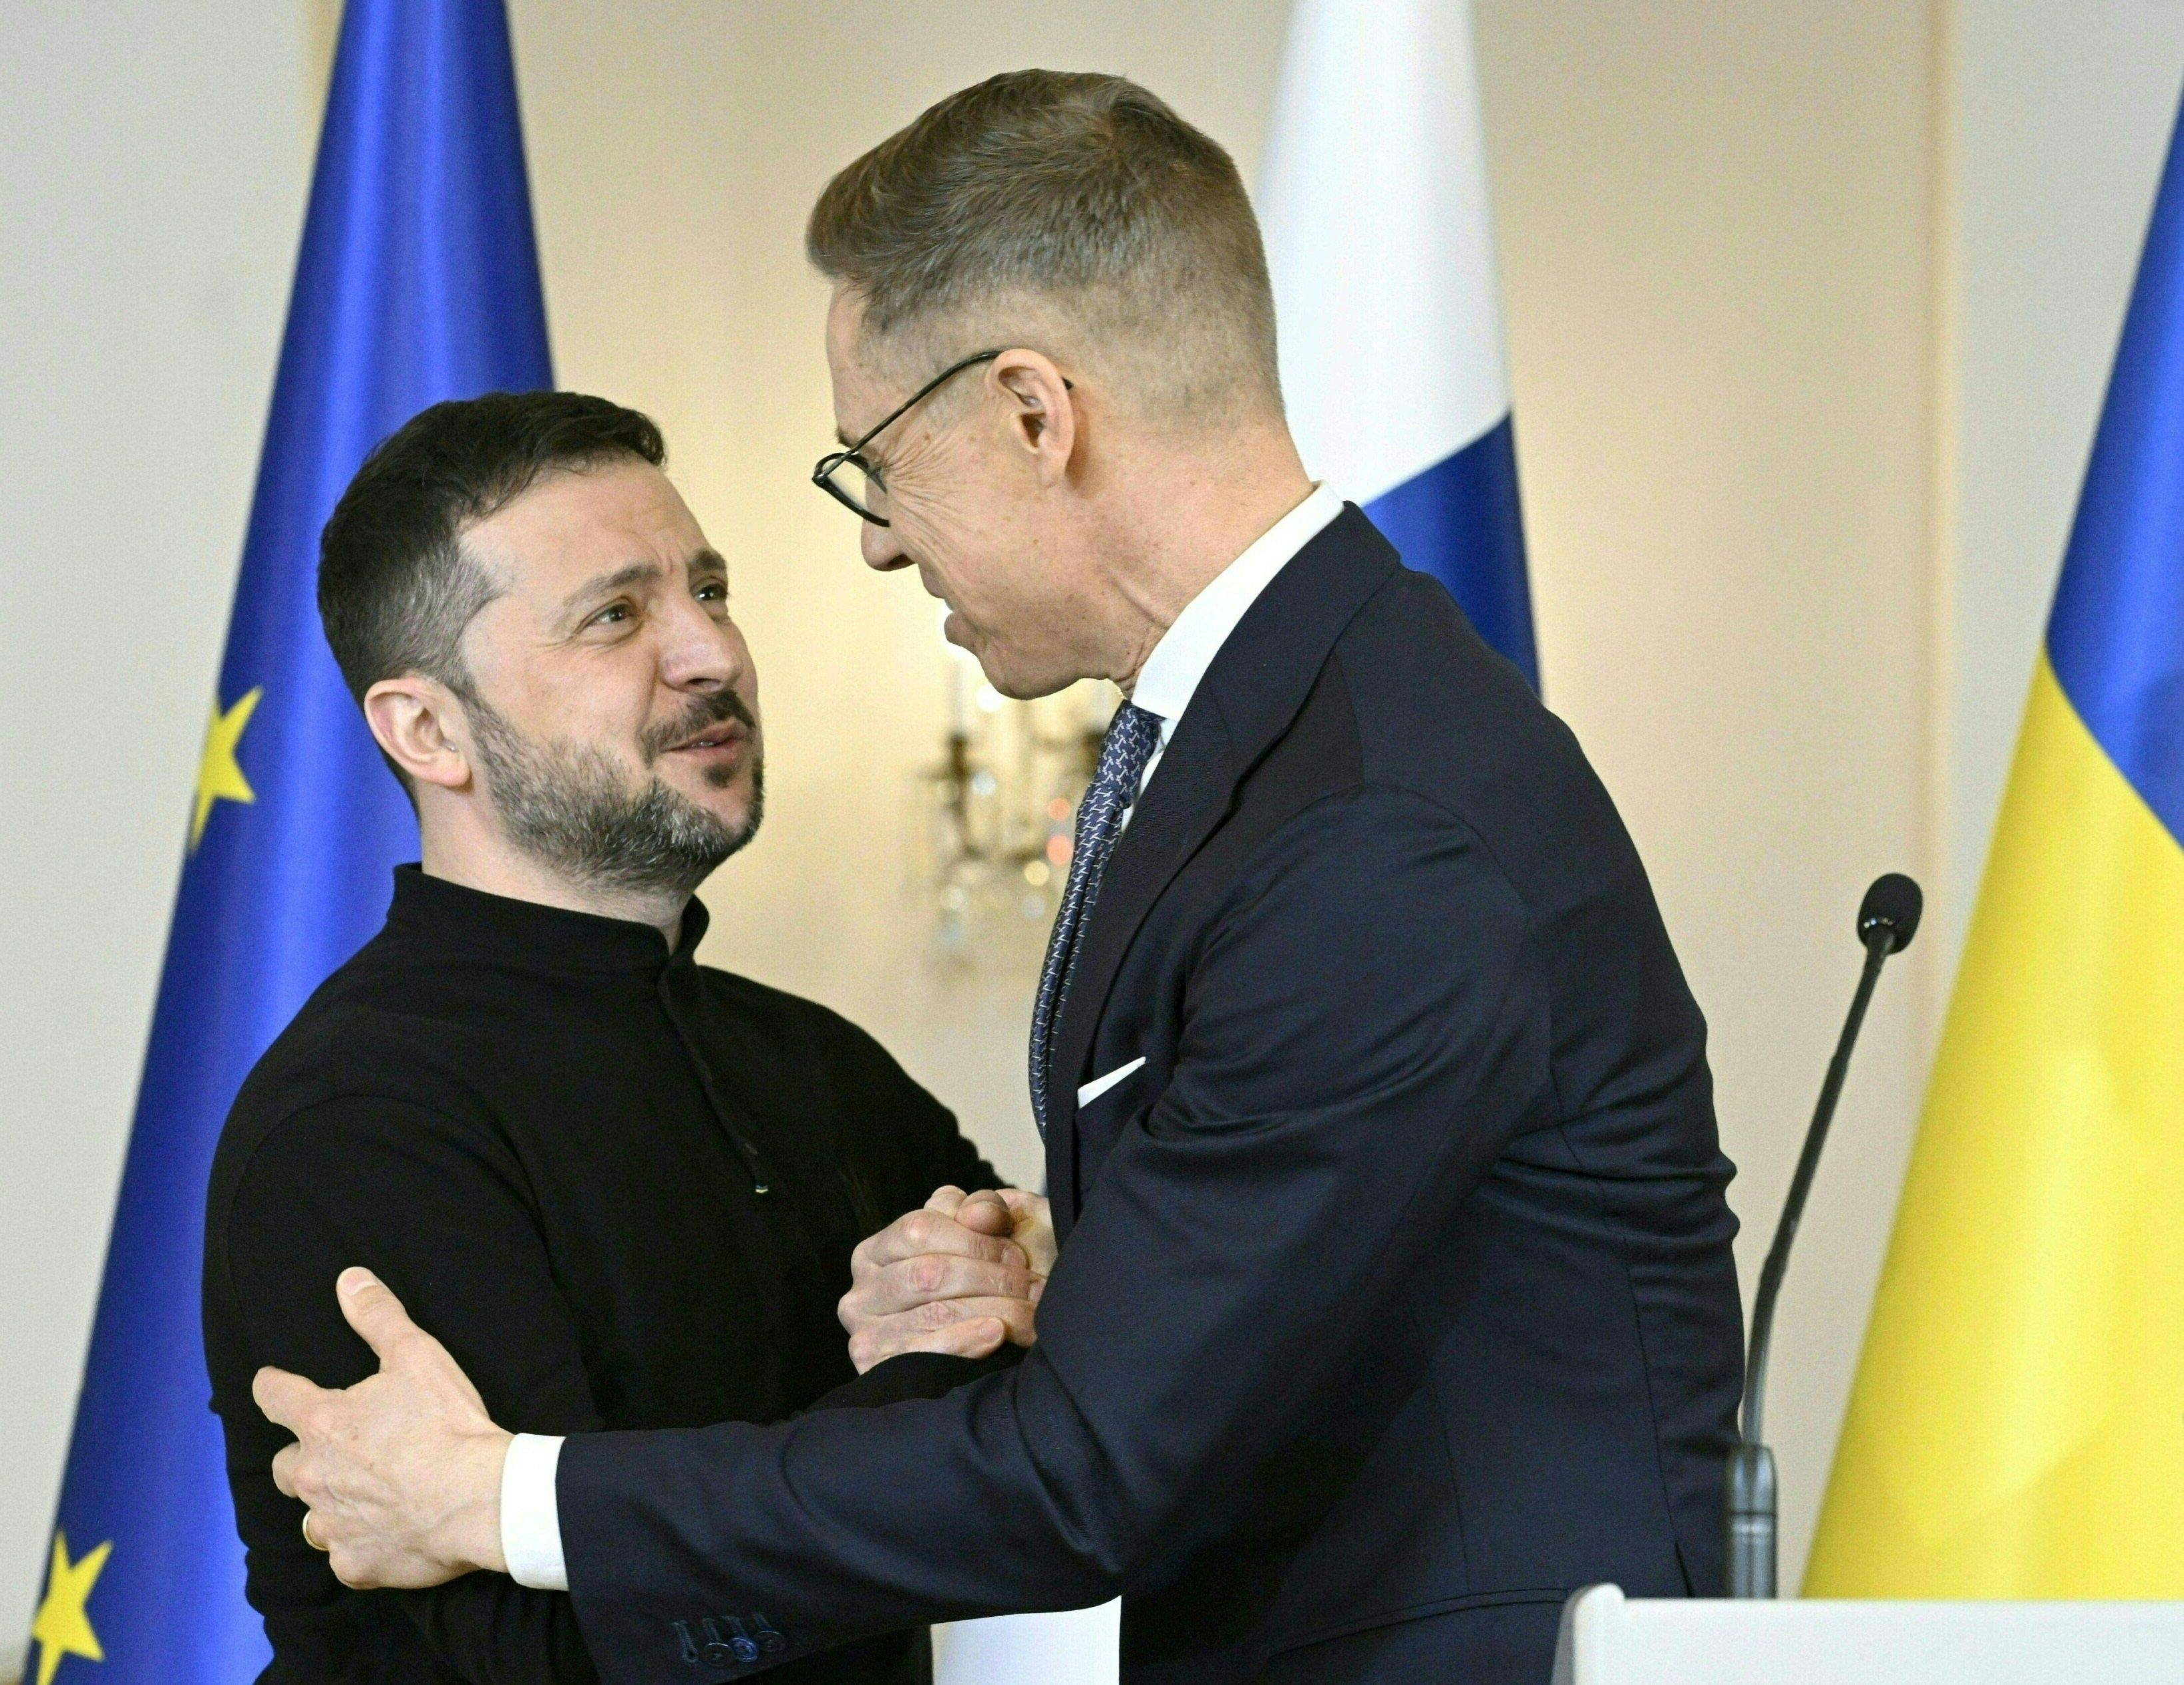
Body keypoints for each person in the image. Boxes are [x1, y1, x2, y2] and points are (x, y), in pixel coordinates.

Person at [258, 72, 1745, 1684]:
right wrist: (1086, 1274)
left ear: (1035, 414)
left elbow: (1080, 1473)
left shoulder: (1364, 824)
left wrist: (498, 1492)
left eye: (874, 463)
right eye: (612, 613)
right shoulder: (1307, 733)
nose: (880, 542)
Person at [203, 391, 1044, 1683]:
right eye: (616, 616)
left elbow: (1072, 1449)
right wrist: (933, 1380)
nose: (711, 652)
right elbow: (563, 1653)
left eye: (709, 589)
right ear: (427, 730)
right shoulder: (360, 1124)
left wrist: (1035, 1268)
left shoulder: (815, 1063)